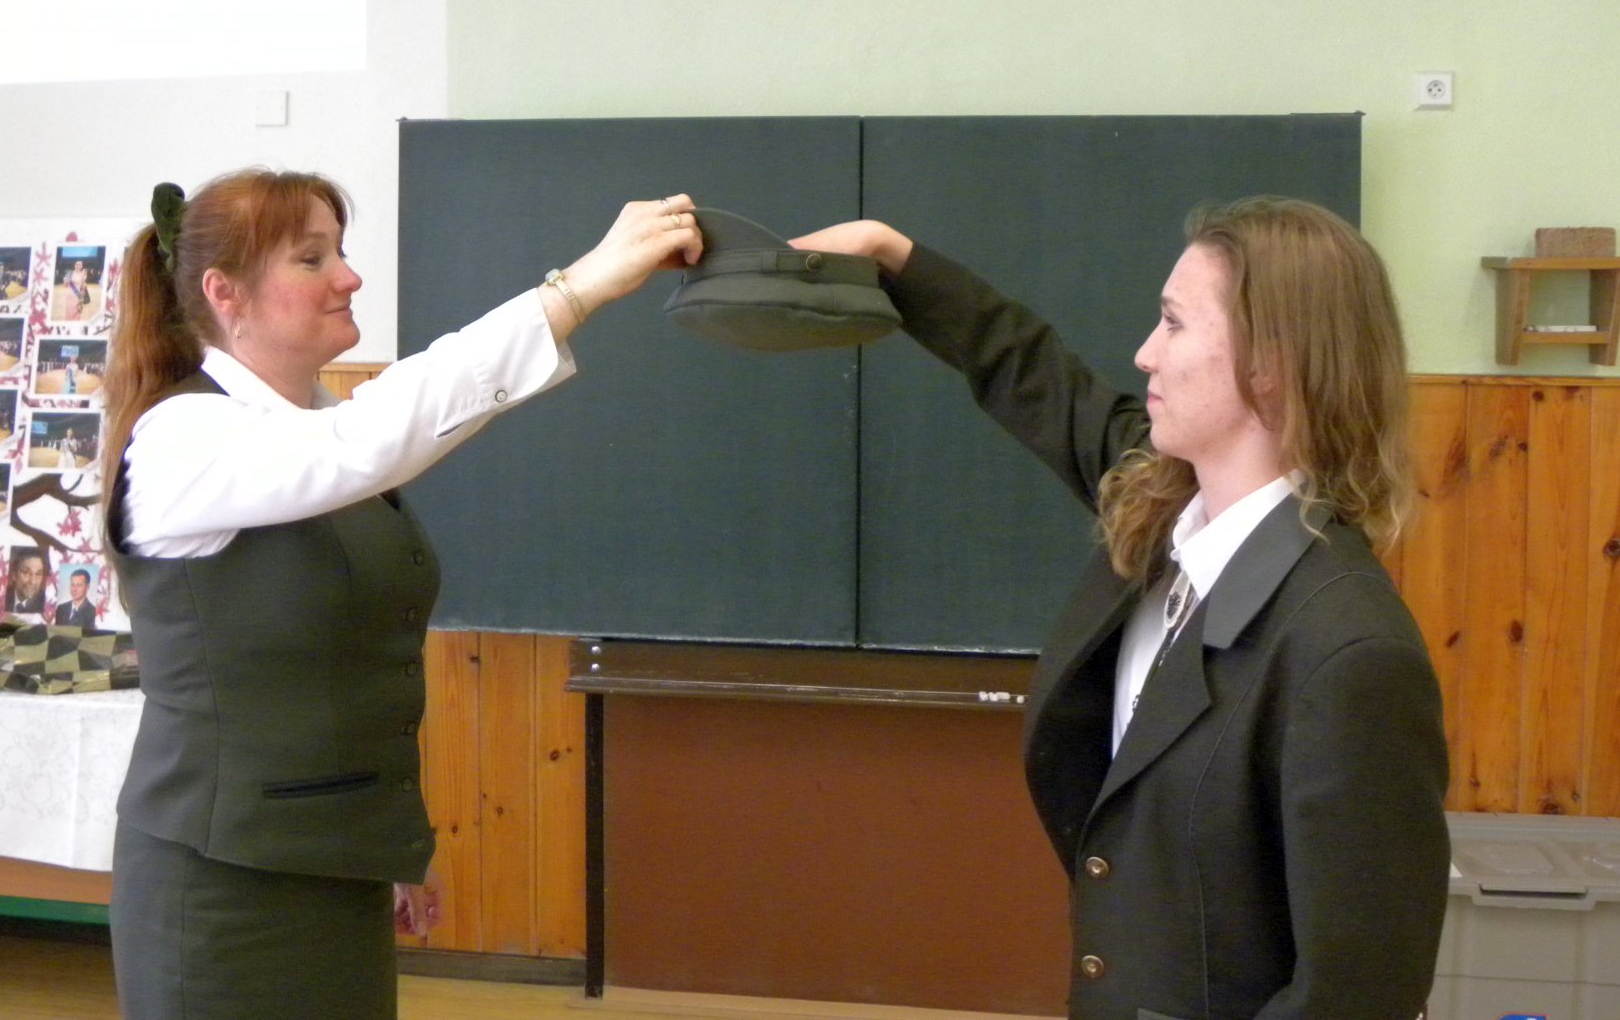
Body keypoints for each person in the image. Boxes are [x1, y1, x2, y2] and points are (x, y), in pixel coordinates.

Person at [793, 197, 1449, 1018]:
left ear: (1270, 364)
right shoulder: (1164, 507)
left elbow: (1360, 994)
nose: (1144, 353)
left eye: (1173, 324)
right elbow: (1028, 370)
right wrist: (892, 257)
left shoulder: (1349, 653)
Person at [100, 168, 700, 1020]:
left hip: (337, 865)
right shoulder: (181, 437)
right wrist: (578, 288)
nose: (349, 277)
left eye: (340, 252)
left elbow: (348, 673)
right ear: (224, 293)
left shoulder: (319, 426)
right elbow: (371, 438)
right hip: (224, 887)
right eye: (312, 259)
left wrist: (385, 847)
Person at [7, 547, 48, 612]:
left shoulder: (46, 603)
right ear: (14, 574)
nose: (33, 582)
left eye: (38, 574)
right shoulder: (2, 597)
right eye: (26, 572)